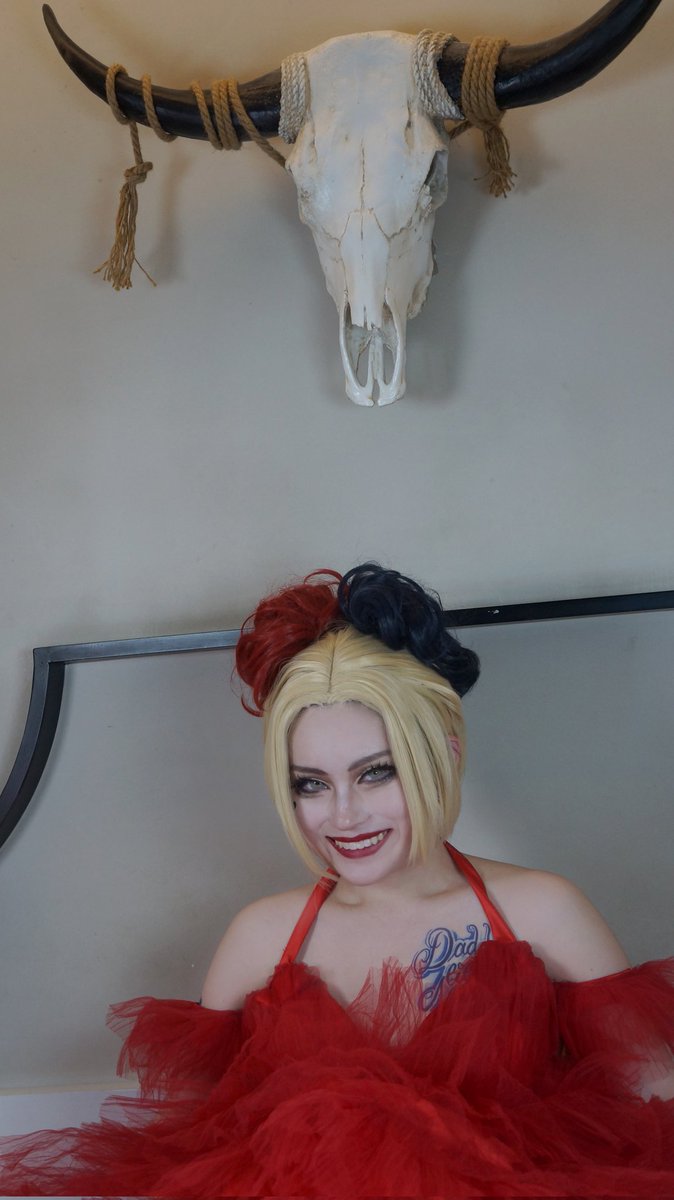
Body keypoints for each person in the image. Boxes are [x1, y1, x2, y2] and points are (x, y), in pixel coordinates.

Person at [2, 562, 673, 1198]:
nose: (343, 815)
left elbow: (654, 1121)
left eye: (376, 772)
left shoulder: (545, 911)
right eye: (311, 784)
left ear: (444, 756)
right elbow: (191, 1156)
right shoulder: (260, 938)